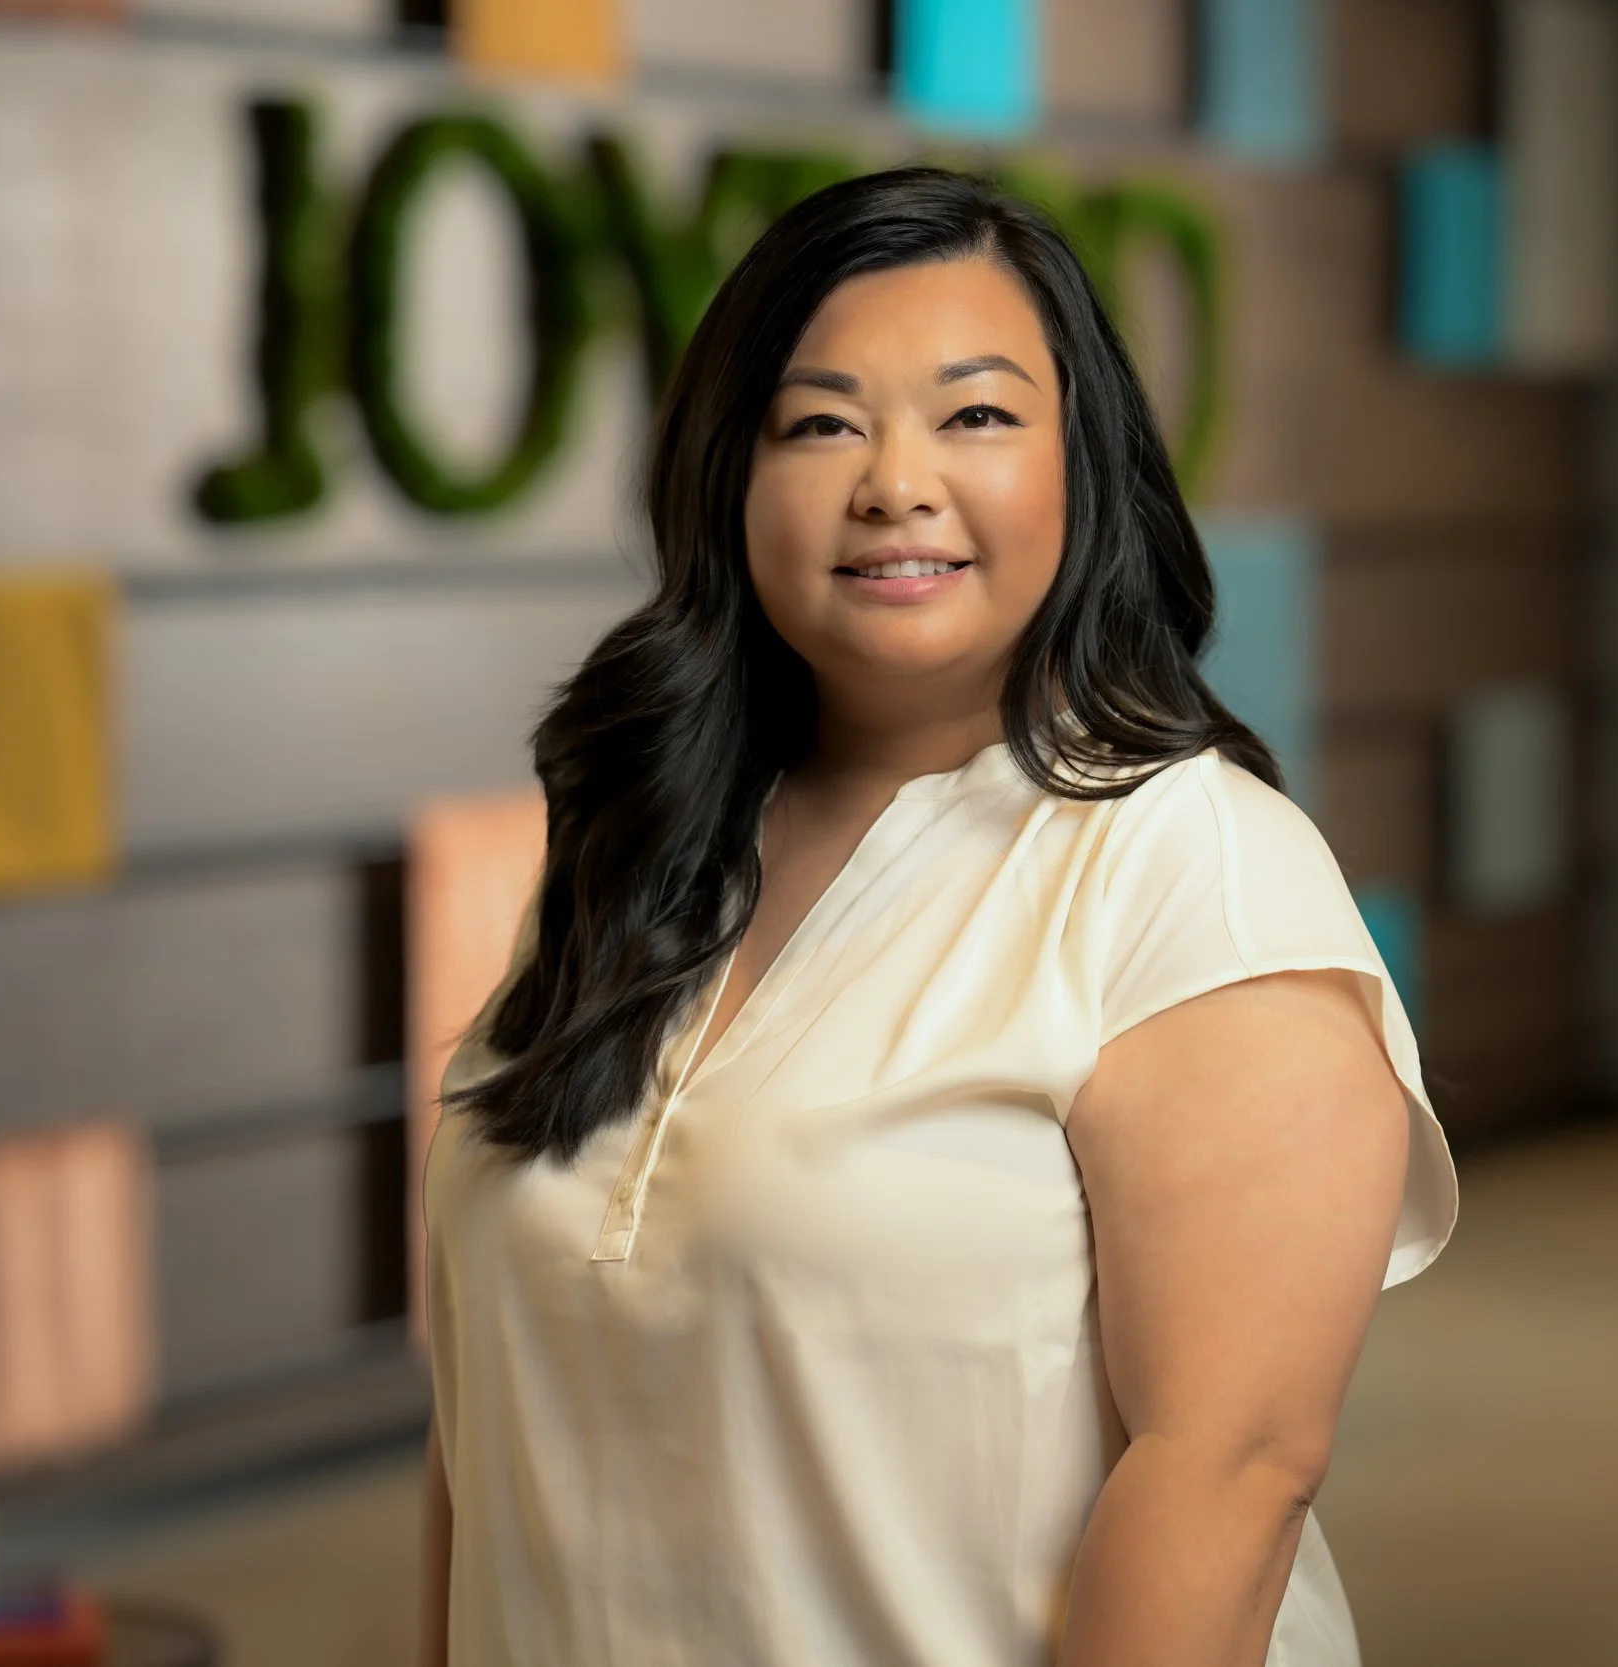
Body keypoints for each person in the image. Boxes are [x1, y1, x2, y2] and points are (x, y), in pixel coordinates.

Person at [417, 165, 1458, 1667]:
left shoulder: (1190, 867)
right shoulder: (635, 852)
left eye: (976, 415)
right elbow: (485, 1426)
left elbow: (1231, 1475)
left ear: (1082, 470)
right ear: (728, 475)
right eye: (820, 423)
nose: (895, 482)